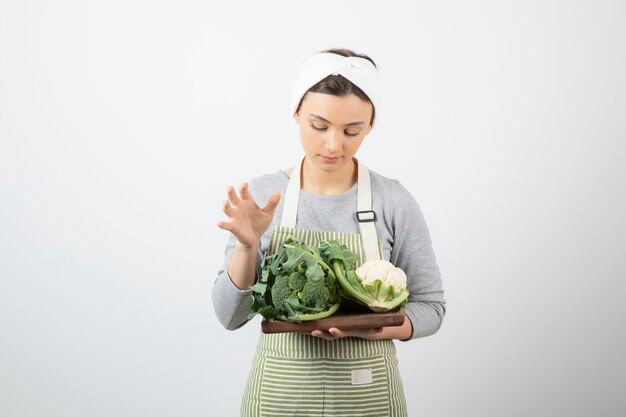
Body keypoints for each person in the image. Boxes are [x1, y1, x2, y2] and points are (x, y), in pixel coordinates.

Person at [212, 48, 446, 417]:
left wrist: (371, 329)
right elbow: (229, 317)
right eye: (319, 126)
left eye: (351, 130)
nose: (334, 144)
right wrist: (247, 246)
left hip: (367, 396)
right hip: (280, 398)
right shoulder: (261, 197)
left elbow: (431, 308)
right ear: (297, 114)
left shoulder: (393, 201)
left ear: (370, 125)